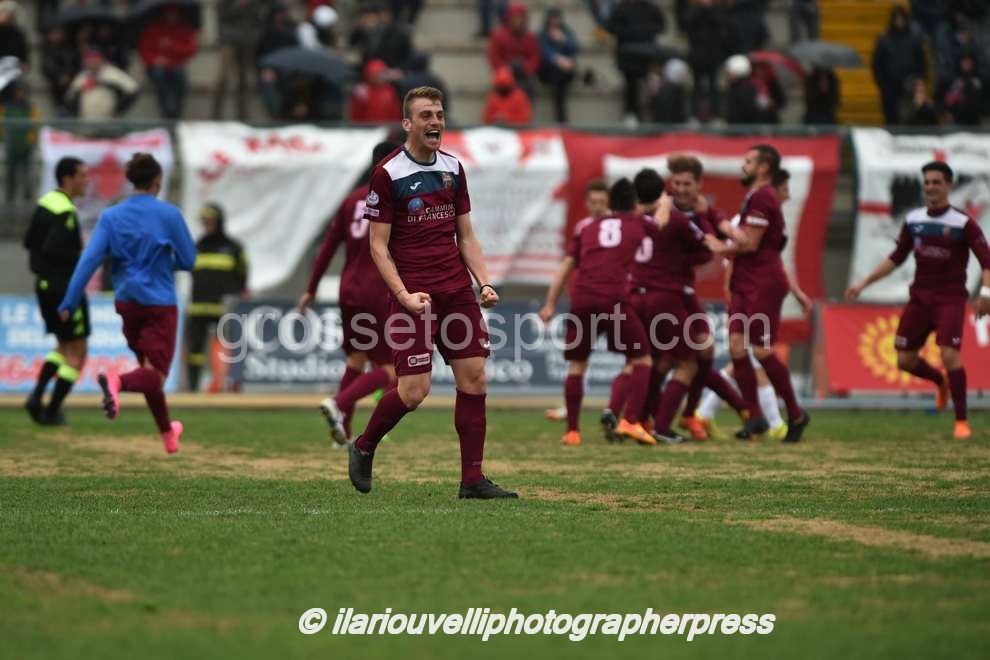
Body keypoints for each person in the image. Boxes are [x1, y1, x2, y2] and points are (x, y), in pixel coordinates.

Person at [347, 87, 517, 499]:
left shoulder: (453, 168)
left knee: (475, 379)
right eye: (426, 115)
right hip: (414, 298)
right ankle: (364, 445)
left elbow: (466, 236)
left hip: (456, 291)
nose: (435, 121)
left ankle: (472, 480)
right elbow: (378, 247)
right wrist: (404, 295)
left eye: (439, 114)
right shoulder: (388, 173)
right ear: (408, 123)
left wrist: (484, 281)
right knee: (414, 391)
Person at [58, 153, 196, 454]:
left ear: (131, 181)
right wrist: (163, 261)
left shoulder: (111, 216)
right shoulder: (169, 215)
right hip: (159, 304)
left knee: (147, 373)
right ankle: (116, 381)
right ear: (157, 182)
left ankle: (168, 434)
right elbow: (188, 260)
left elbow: (89, 260)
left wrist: (69, 300)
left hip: (127, 304)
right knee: (155, 375)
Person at [846, 161, 990, 440]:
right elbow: (896, 257)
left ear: (948, 186)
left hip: (949, 299)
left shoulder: (963, 223)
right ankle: (939, 381)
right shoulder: (914, 220)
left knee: (949, 354)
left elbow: (987, 261)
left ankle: (961, 421)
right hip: (920, 298)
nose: (931, 187)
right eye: (927, 182)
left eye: (936, 182)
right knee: (904, 360)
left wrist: (985, 294)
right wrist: (864, 283)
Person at [703, 145, 811, 443]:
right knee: (737, 347)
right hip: (745, 281)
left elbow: (751, 244)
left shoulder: (763, 197)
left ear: (764, 167)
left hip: (761, 283)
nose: (744, 165)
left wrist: (719, 246)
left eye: (749, 161)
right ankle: (755, 415)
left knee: (761, 350)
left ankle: (796, 413)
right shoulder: (754, 197)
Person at [538, 178, 656, 447]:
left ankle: (573, 431)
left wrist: (550, 303)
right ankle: (630, 420)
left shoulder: (587, 228)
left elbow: (566, 266)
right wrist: (660, 203)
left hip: (582, 298)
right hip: (614, 299)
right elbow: (659, 224)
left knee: (578, 365)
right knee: (641, 359)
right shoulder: (635, 223)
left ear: (610, 203)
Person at [299, 141, 399, 444]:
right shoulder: (394, 199)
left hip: (349, 290)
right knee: (391, 369)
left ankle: (342, 431)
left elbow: (327, 248)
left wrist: (311, 289)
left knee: (356, 359)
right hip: (377, 290)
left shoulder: (352, 199)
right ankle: (338, 403)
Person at [663, 155, 752, 441]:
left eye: (687, 184)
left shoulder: (706, 211)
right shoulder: (662, 208)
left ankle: (690, 414)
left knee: (703, 353)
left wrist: (727, 233)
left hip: (683, 291)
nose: (681, 189)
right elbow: (704, 250)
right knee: (672, 361)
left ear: (699, 184)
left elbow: (731, 237)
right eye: (677, 183)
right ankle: (648, 421)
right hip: (660, 291)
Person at [625, 168, 708, 445]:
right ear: (663, 191)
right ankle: (661, 426)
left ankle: (638, 419)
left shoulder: (630, 220)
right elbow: (704, 248)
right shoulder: (675, 220)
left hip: (634, 296)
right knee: (689, 363)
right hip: (664, 297)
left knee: (653, 361)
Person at [23, 157, 91, 426]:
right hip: (64, 288)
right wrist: (83, 257)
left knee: (63, 346)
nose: (87, 181)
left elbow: (29, 242)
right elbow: (56, 248)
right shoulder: (65, 212)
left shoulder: (45, 204)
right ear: (67, 178)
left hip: (44, 285)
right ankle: (52, 410)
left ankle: (36, 397)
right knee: (78, 351)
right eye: (82, 175)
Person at [544, 179, 609, 423]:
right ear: (587, 203)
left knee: (636, 358)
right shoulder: (583, 227)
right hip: (587, 298)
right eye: (593, 202)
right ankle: (571, 410)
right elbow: (570, 264)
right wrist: (552, 302)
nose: (597, 206)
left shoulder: (617, 225)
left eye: (602, 202)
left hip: (613, 299)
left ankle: (625, 411)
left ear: (609, 203)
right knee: (579, 359)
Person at [186, 203, 248, 393]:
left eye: (210, 220)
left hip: (222, 308)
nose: (207, 224)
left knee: (226, 346)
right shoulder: (198, 246)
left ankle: (225, 385)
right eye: (204, 221)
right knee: (195, 350)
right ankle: (193, 387)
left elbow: (243, 273)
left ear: (219, 221)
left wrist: (238, 292)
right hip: (198, 307)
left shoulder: (233, 247)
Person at [137, 4, 199, 119]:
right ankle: (165, 111)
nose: (171, 17)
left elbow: (191, 49)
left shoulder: (184, 29)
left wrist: (172, 46)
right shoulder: (154, 29)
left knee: (180, 77)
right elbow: (144, 50)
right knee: (159, 76)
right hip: (156, 66)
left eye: (174, 14)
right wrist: (156, 59)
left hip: (175, 65)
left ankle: (177, 111)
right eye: (169, 14)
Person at [872, 5, 927, 126]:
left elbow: (921, 62)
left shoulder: (914, 39)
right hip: (890, 86)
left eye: (901, 18)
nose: (899, 21)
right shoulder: (884, 40)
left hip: (910, 85)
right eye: (897, 19)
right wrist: (882, 83)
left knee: (911, 117)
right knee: (891, 117)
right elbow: (877, 63)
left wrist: (920, 81)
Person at [488, 3, 540, 99]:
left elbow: (535, 57)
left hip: (524, 71)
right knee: (501, 84)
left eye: (520, 18)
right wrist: (504, 69)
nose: (517, 21)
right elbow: (493, 56)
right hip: (505, 70)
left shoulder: (530, 37)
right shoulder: (498, 35)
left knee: (531, 85)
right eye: (515, 17)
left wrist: (526, 68)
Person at [537, 7, 579, 124]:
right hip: (548, 71)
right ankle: (562, 120)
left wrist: (563, 40)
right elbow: (544, 52)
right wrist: (558, 59)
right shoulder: (542, 34)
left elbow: (575, 48)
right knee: (557, 75)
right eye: (552, 18)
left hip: (564, 72)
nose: (555, 21)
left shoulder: (567, 32)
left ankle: (561, 120)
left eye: (557, 18)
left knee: (561, 76)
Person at [349, 59, 401, 124]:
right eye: (375, 74)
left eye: (382, 73)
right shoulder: (362, 91)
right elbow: (355, 114)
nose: (379, 77)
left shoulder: (390, 90)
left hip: (388, 127)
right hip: (367, 127)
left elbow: (395, 112)